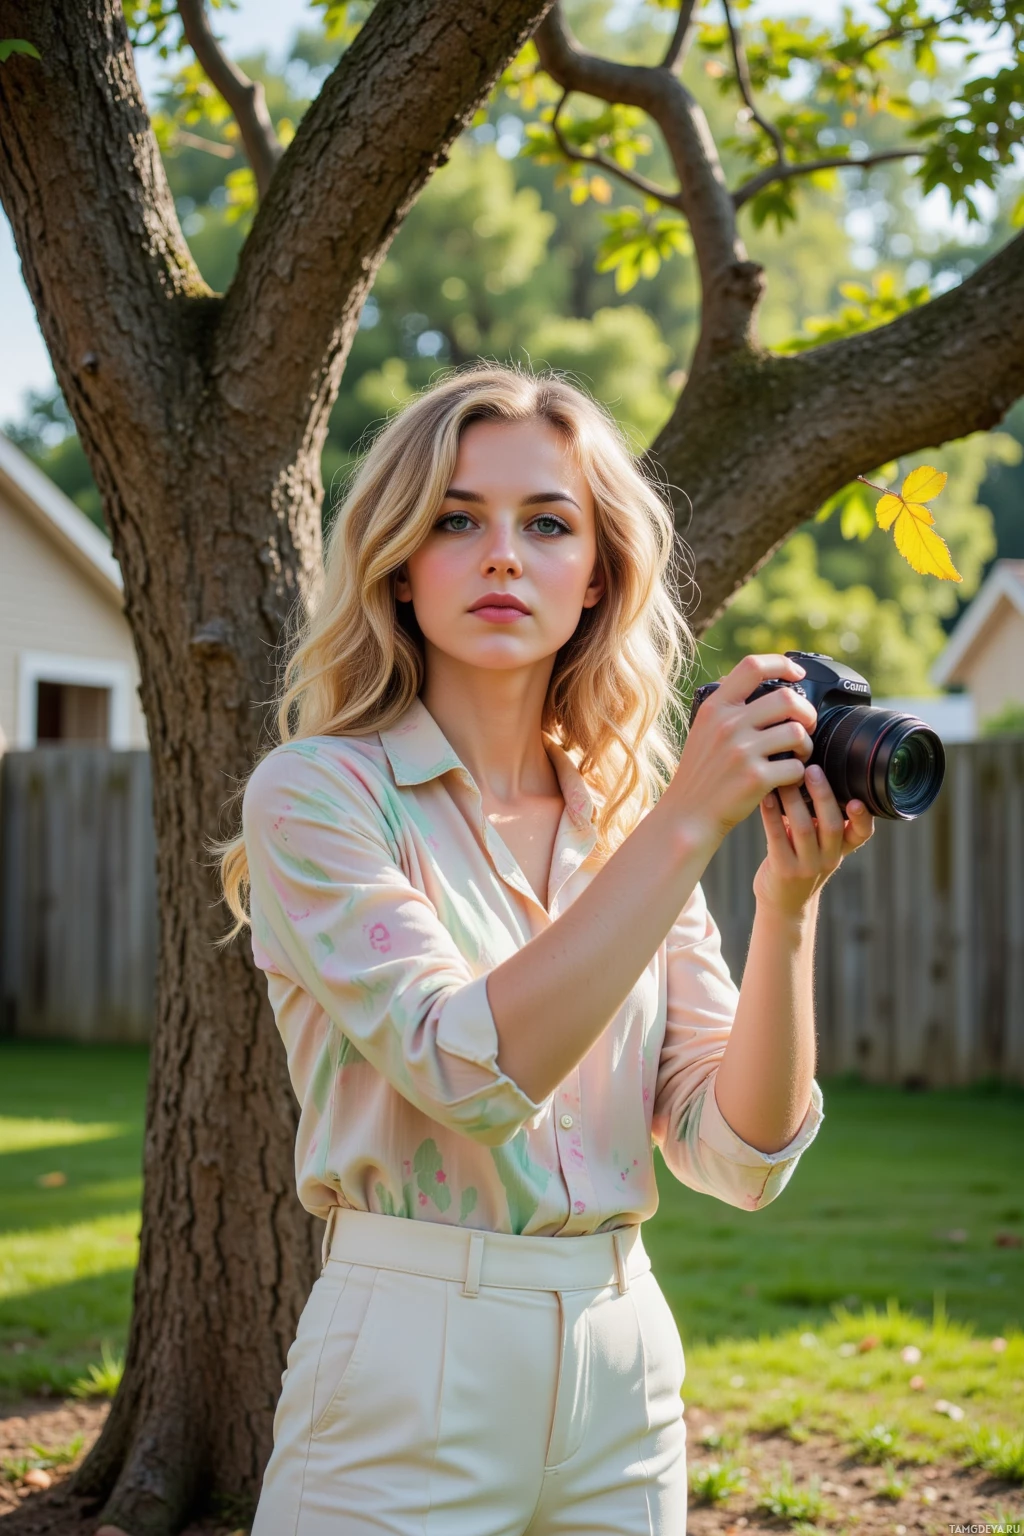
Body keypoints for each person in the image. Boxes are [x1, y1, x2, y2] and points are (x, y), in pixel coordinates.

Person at [218, 363, 874, 1535]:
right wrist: (684, 825)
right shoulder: (318, 796)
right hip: (407, 1359)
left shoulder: (625, 828)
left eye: (548, 524)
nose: (503, 555)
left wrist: (788, 903)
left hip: (625, 1363)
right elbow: (467, 1072)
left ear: (596, 580)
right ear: (400, 569)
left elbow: (741, 1154)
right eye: (456, 519)